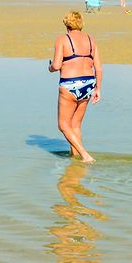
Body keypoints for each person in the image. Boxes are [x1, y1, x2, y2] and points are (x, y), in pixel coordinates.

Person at [48, 11, 101, 163]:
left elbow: (56, 65)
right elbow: (98, 68)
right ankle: (74, 156)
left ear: (67, 24)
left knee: (63, 125)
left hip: (70, 84)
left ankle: (85, 155)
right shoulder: (91, 40)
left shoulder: (62, 40)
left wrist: (50, 67)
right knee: (75, 125)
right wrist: (98, 88)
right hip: (88, 83)